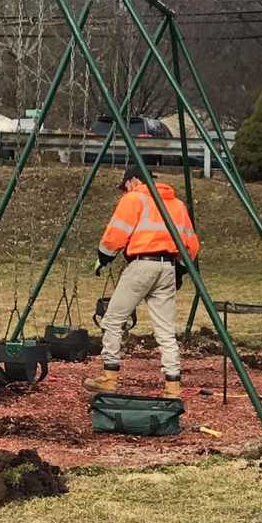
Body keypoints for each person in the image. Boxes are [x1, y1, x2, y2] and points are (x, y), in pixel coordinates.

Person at [83, 165, 200, 398]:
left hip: (141, 265)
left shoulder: (134, 199)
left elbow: (115, 235)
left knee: (113, 320)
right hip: (167, 267)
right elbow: (191, 244)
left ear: (133, 180)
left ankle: (109, 377)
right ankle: (173, 385)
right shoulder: (177, 205)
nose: (124, 191)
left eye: (125, 186)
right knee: (166, 331)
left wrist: (103, 258)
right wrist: (180, 270)